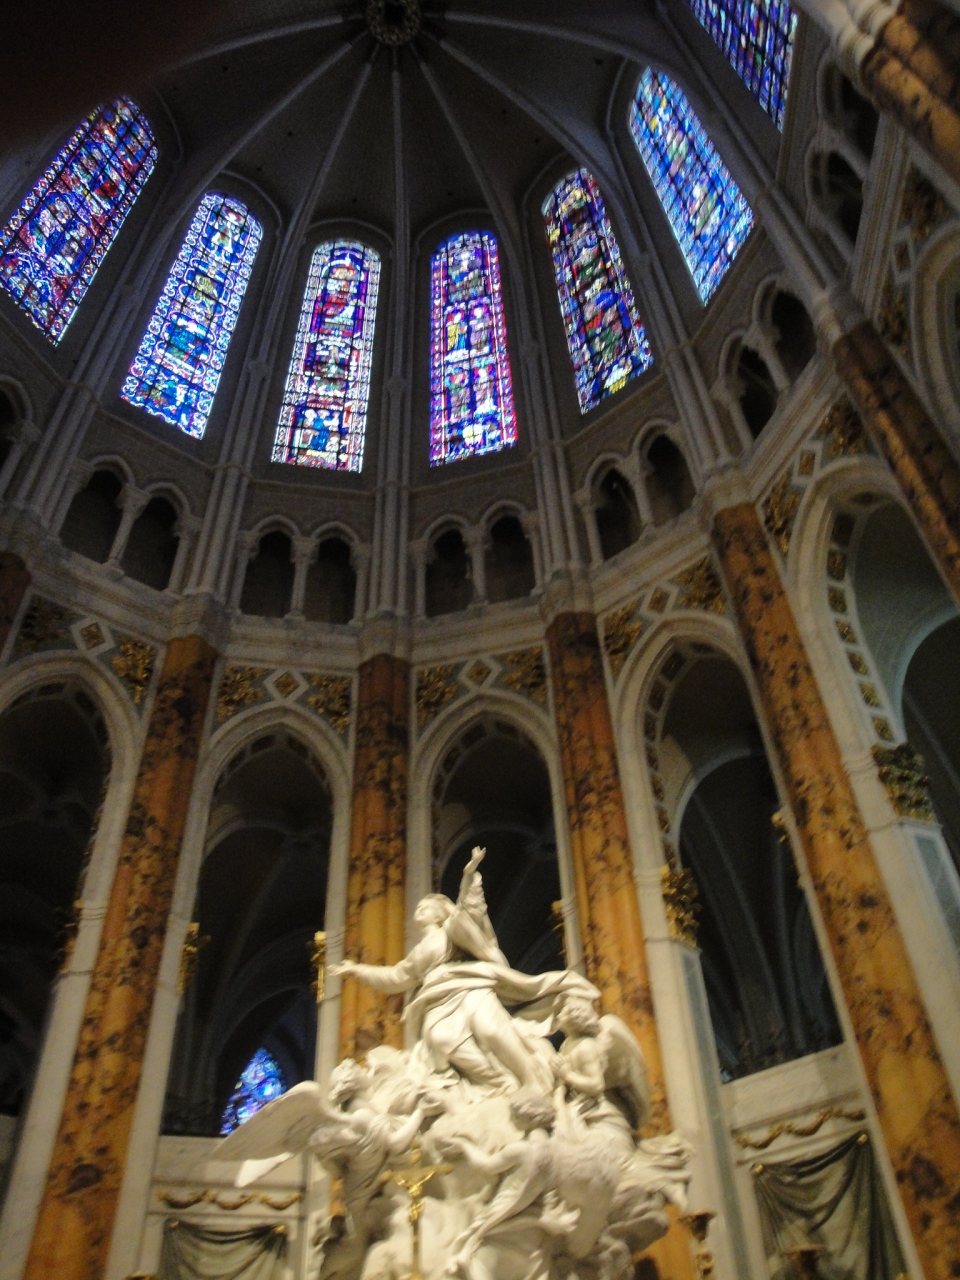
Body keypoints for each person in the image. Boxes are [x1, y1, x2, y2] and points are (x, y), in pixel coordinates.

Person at [330, 848, 598, 1091]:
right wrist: (356, 969)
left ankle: (531, 1080)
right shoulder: (417, 953)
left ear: (439, 914)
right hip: (435, 1000)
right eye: (419, 907)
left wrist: (469, 875)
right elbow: (395, 976)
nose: (420, 909)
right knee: (441, 1039)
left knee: (491, 1030)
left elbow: (467, 908)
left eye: (427, 907)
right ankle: (499, 1082)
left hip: (468, 986)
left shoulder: (451, 931)